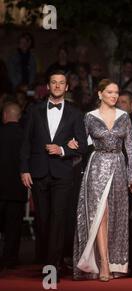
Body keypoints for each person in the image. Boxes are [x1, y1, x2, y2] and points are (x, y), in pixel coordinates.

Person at [20, 70, 87, 279]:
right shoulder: (34, 110)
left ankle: (51, 267)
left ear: (67, 87)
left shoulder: (76, 113)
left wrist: (63, 150)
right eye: (54, 83)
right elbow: (25, 142)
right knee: (43, 220)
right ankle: (54, 259)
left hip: (62, 172)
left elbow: (83, 146)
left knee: (58, 219)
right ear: (48, 86)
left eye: (61, 83)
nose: (57, 86)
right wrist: (24, 168)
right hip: (38, 172)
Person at [72, 79, 132, 281]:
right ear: (99, 94)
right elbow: (82, 145)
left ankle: (113, 262)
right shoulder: (89, 117)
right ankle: (104, 264)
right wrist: (72, 146)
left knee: (116, 215)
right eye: (109, 92)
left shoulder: (124, 116)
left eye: (116, 92)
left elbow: (130, 148)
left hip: (118, 166)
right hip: (97, 166)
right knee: (101, 213)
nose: (114, 96)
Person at [0, 102, 27, 270]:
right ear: (19, 117)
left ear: (4, 116)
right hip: (17, 189)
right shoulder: (25, 136)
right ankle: (10, 259)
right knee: (13, 228)